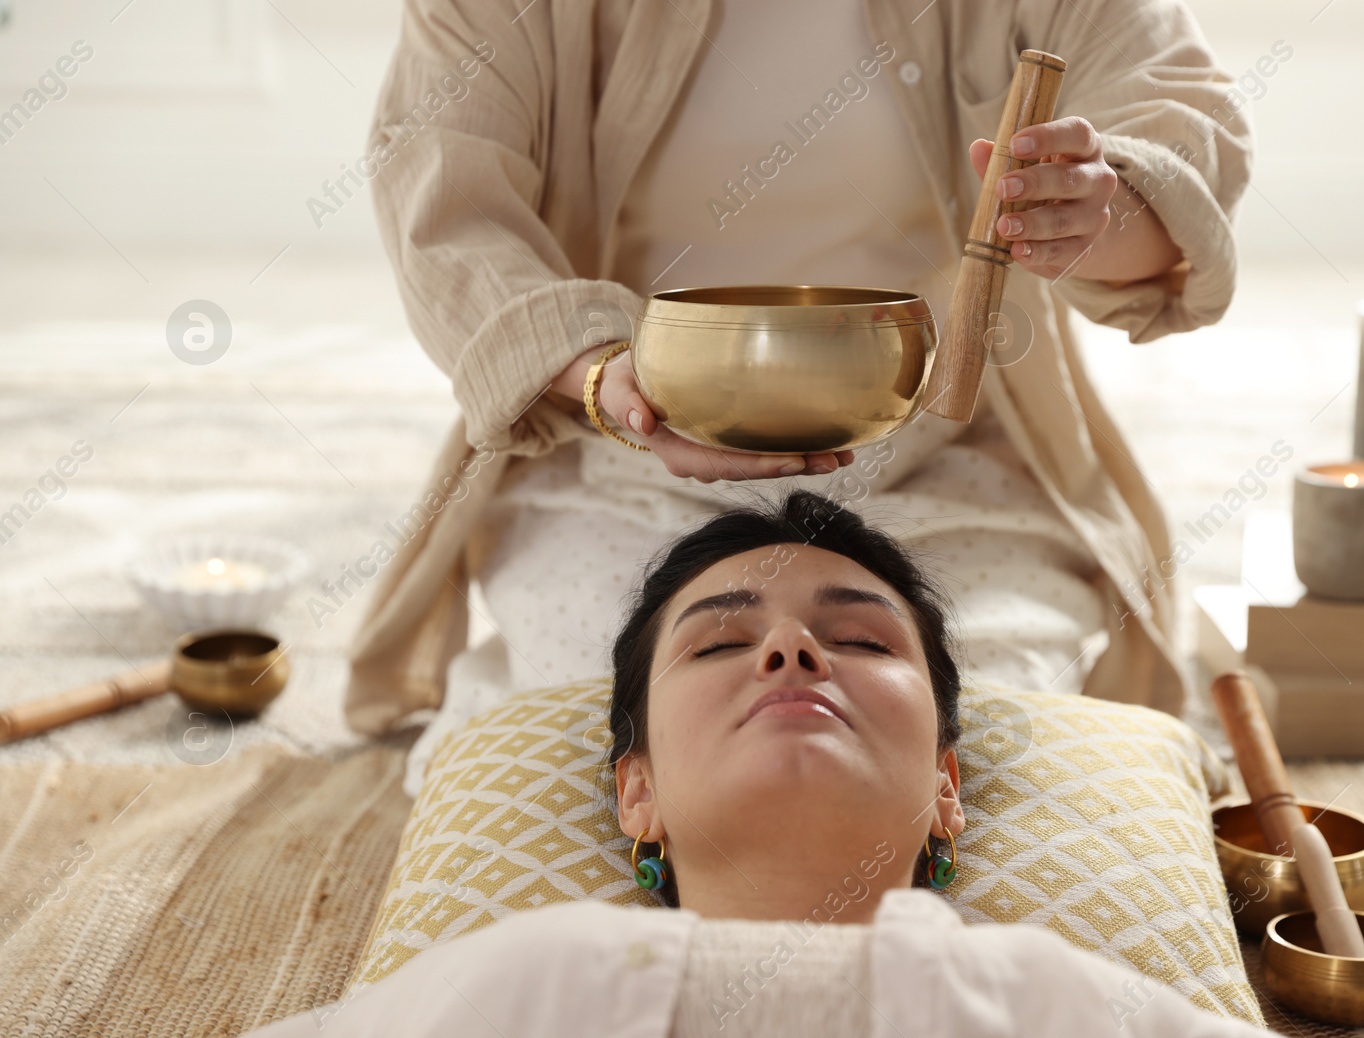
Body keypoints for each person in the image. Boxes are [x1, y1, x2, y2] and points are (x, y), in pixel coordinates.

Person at [339, 0, 1252, 801]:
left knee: (967, 742)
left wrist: (1099, 208)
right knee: (624, 738)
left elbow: (1181, 124)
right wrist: (605, 378)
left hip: (945, 454)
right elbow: (443, 197)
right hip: (626, 448)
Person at [211, 491, 1304, 1038]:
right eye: (721, 643)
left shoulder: (1074, 1009)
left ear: (946, 788)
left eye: (864, 642)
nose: (791, 651)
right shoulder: (496, 989)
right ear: (632, 790)